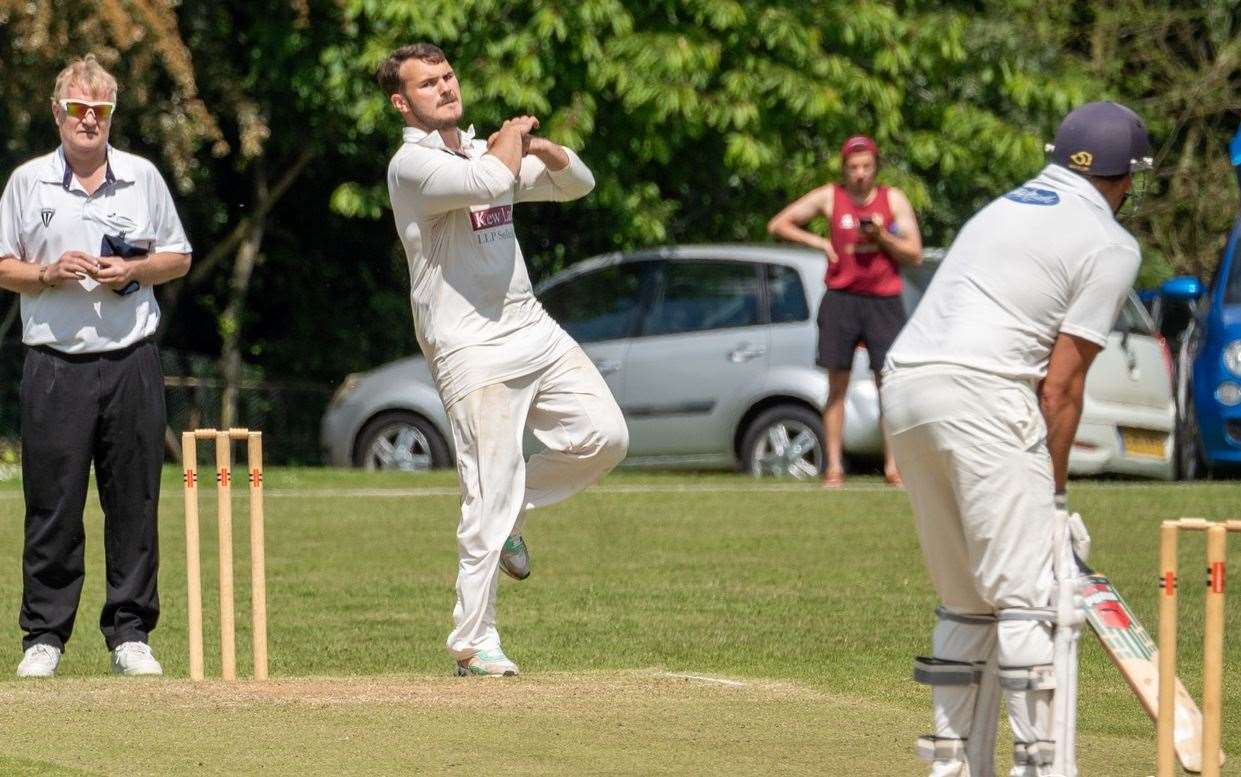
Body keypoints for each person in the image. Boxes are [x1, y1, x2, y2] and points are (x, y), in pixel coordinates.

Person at [880, 102, 1152, 776]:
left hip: (905, 384)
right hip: (982, 393)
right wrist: (1052, 499)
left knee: (966, 600)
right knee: (1031, 595)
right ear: (1125, 179)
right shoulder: (1109, 244)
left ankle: (951, 766)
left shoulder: (1000, 207)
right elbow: (1059, 387)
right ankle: (1040, 767)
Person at [376, 43, 628, 677]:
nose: (444, 88)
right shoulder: (412, 165)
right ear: (402, 103)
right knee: (485, 493)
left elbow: (579, 185)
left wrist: (544, 150)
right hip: (469, 347)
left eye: (448, 76)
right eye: (427, 84)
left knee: (605, 437)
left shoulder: (482, 150)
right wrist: (513, 137)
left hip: (530, 327)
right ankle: (473, 644)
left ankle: (516, 513)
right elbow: (489, 182)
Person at [0, 55, 192, 678]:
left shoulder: (142, 178)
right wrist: (47, 273)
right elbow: (3, 265)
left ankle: (130, 633)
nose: (88, 120)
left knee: (133, 501)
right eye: (77, 109)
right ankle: (45, 636)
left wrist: (133, 271)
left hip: (131, 359)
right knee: (53, 503)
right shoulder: (29, 182)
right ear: (57, 114)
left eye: (100, 111)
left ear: (112, 117)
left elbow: (179, 257)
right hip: (55, 363)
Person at [767, 135, 922, 488]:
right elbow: (778, 224)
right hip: (841, 299)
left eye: (866, 167)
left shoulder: (892, 200)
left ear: (875, 167)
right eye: (853, 168)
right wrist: (820, 242)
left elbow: (914, 254)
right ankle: (834, 468)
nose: (860, 174)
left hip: (884, 300)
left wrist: (883, 237)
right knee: (836, 385)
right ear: (844, 170)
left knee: (890, 386)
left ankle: (893, 467)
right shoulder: (829, 197)